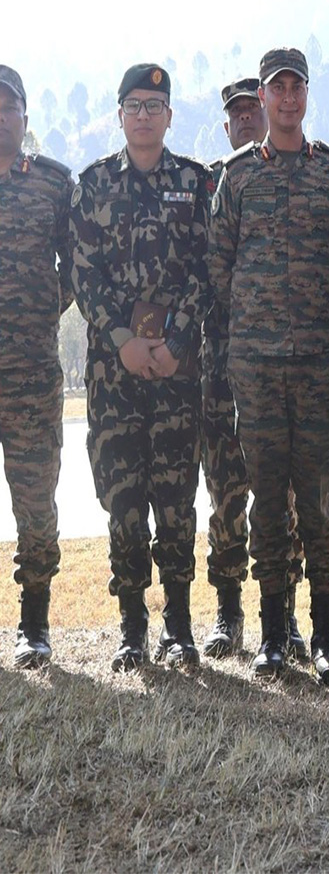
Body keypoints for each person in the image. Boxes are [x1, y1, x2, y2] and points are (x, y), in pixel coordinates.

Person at [208, 47, 329, 683]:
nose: (287, 98)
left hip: (319, 364)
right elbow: (219, 267)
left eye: (296, 87)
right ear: (262, 99)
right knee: (267, 499)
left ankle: (326, 635)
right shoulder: (237, 176)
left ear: (306, 95)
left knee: (316, 498)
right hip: (258, 369)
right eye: (277, 89)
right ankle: (271, 634)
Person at [69, 63, 210, 669]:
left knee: (176, 499)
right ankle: (132, 626)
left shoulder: (196, 183)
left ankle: (179, 624)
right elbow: (82, 272)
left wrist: (176, 341)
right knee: (124, 500)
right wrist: (124, 338)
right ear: (120, 115)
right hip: (114, 375)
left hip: (178, 372)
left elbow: (209, 267)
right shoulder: (94, 185)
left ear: (170, 115)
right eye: (134, 104)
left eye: (155, 104)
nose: (145, 114)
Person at [199, 77, 309, 661]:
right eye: (236, 114)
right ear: (227, 124)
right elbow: (212, 269)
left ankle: (285, 613)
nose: (246, 120)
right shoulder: (210, 182)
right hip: (221, 368)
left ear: (267, 112)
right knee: (224, 490)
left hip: (274, 369)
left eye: (252, 110)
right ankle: (227, 612)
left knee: (281, 492)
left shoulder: (285, 173)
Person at [0, 65, 72, 669]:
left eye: (7, 108)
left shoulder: (53, 184)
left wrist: (41, 309)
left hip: (30, 373)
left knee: (36, 499)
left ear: (25, 118)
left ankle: (34, 623)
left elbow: (75, 266)